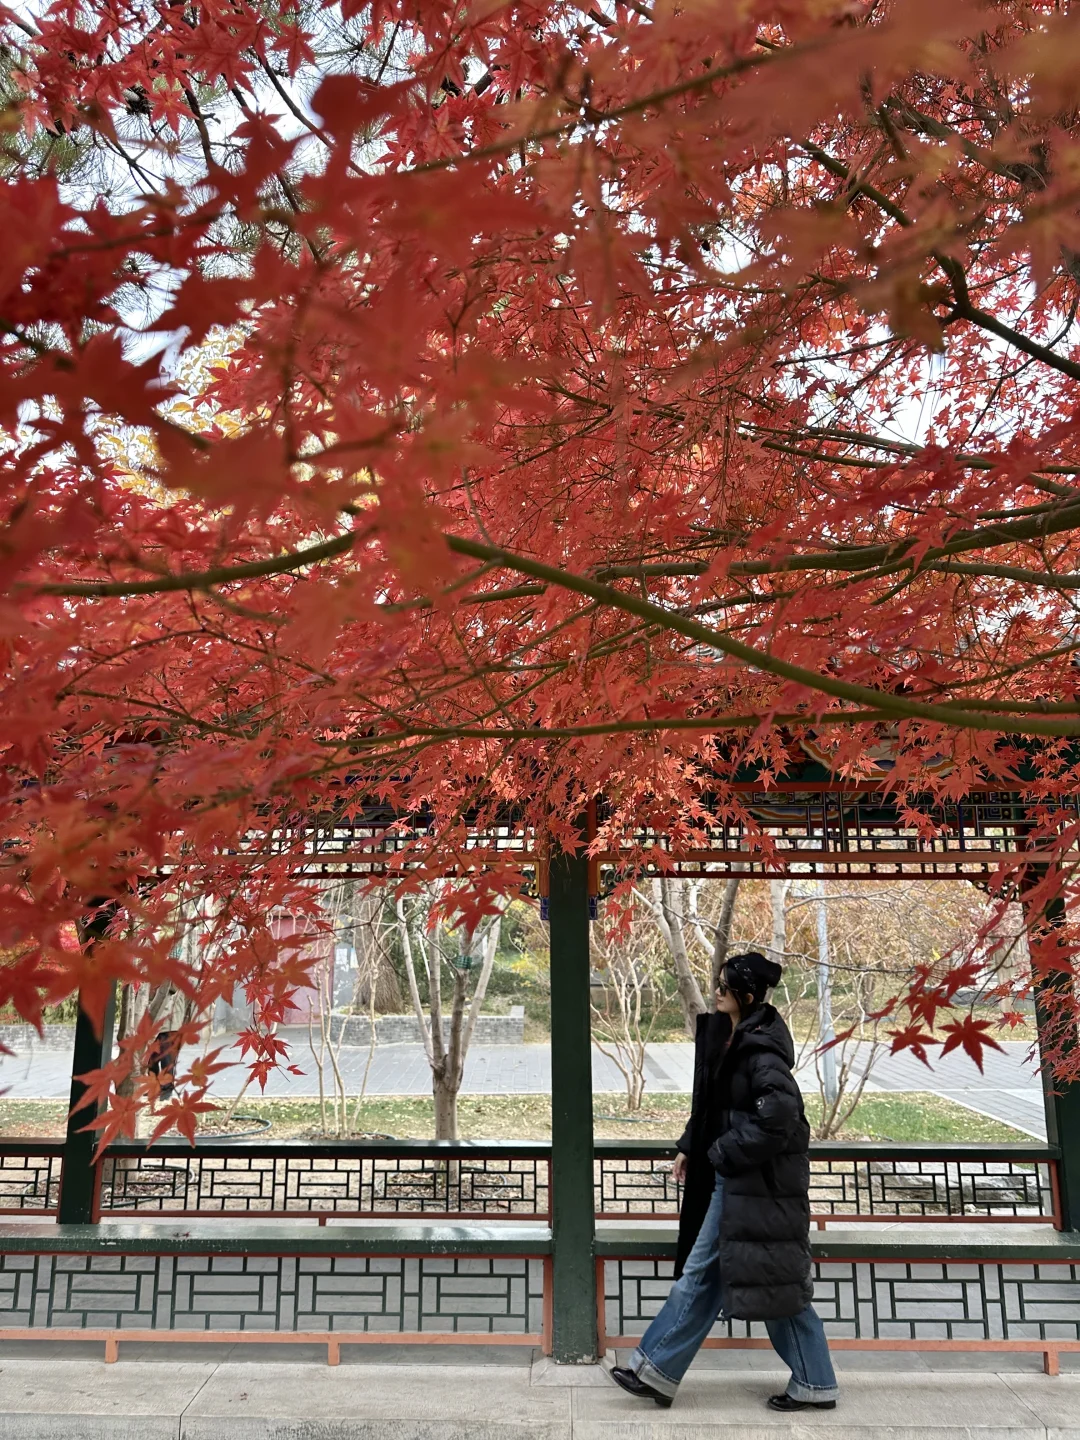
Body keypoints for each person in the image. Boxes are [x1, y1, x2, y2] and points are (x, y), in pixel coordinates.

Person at [610, 950, 838, 1412]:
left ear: (746, 995)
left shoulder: (761, 1052)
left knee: (742, 1282)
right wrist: (690, 1145)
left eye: (723, 986)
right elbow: (713, 1106)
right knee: (763, 1284)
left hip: (753, 1186)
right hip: (744, 1184)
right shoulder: (734, 1038)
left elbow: (780, 1119)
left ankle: (654, 1367)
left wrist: (719, 1153)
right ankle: (813, 1383)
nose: (715, 991)